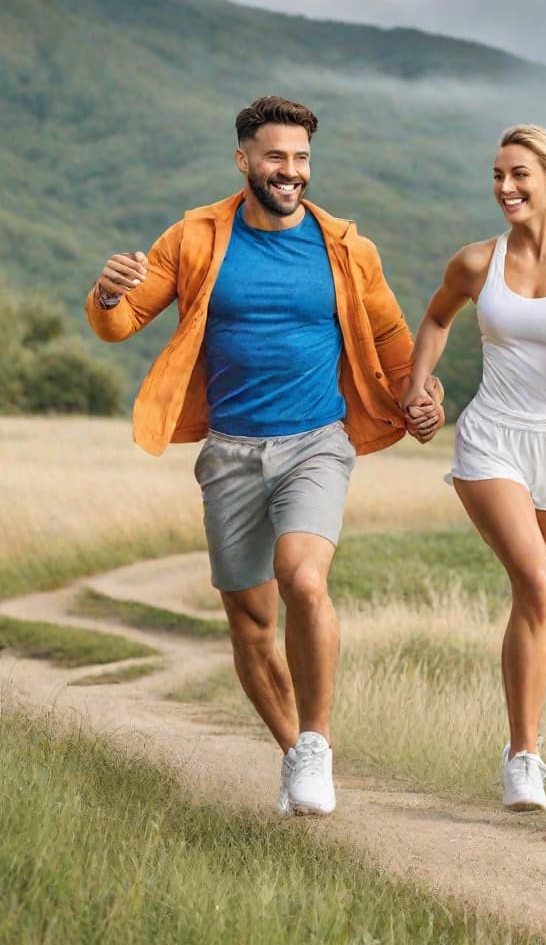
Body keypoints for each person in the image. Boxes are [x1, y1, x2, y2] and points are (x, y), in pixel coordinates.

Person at [86, 95, 444, 817]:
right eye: (276, 157)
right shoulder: (194, 238)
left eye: (302, 159)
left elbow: (397, 347)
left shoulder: (346, 247)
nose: (291, 171)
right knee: (250, 624)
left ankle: (316, 743)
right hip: (229, 452)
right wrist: (104, 295)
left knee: (304, 582)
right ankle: (292, 752)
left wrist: (427, 400)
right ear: (244, 159)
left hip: (317, 440)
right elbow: (121, 324)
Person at [402, 124, 546, 812]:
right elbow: (437, 320)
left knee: (538, 600)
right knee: (532, 579)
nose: (505, 187)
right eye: (498, 175)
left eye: (519, 174)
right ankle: (525, 760)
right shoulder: (477, 262)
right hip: (492, 440)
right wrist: (418, 387)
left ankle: (520, 746)